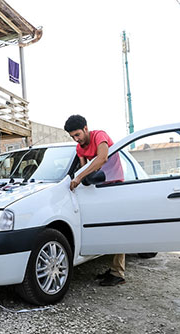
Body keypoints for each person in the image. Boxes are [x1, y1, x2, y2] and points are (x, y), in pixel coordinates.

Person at [64, 114, 125, 286]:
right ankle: (112, 269)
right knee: (104, 230)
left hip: (114, 187)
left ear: (85, 128)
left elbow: (102, 158)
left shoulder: (100, 135)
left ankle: (118, 272)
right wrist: (78, 180)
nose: (76, 139)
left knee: (117, 229)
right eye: (72, 137)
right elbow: (85, 169)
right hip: (98, 189)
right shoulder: (79, 148)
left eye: (78, 135)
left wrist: (79, 177)